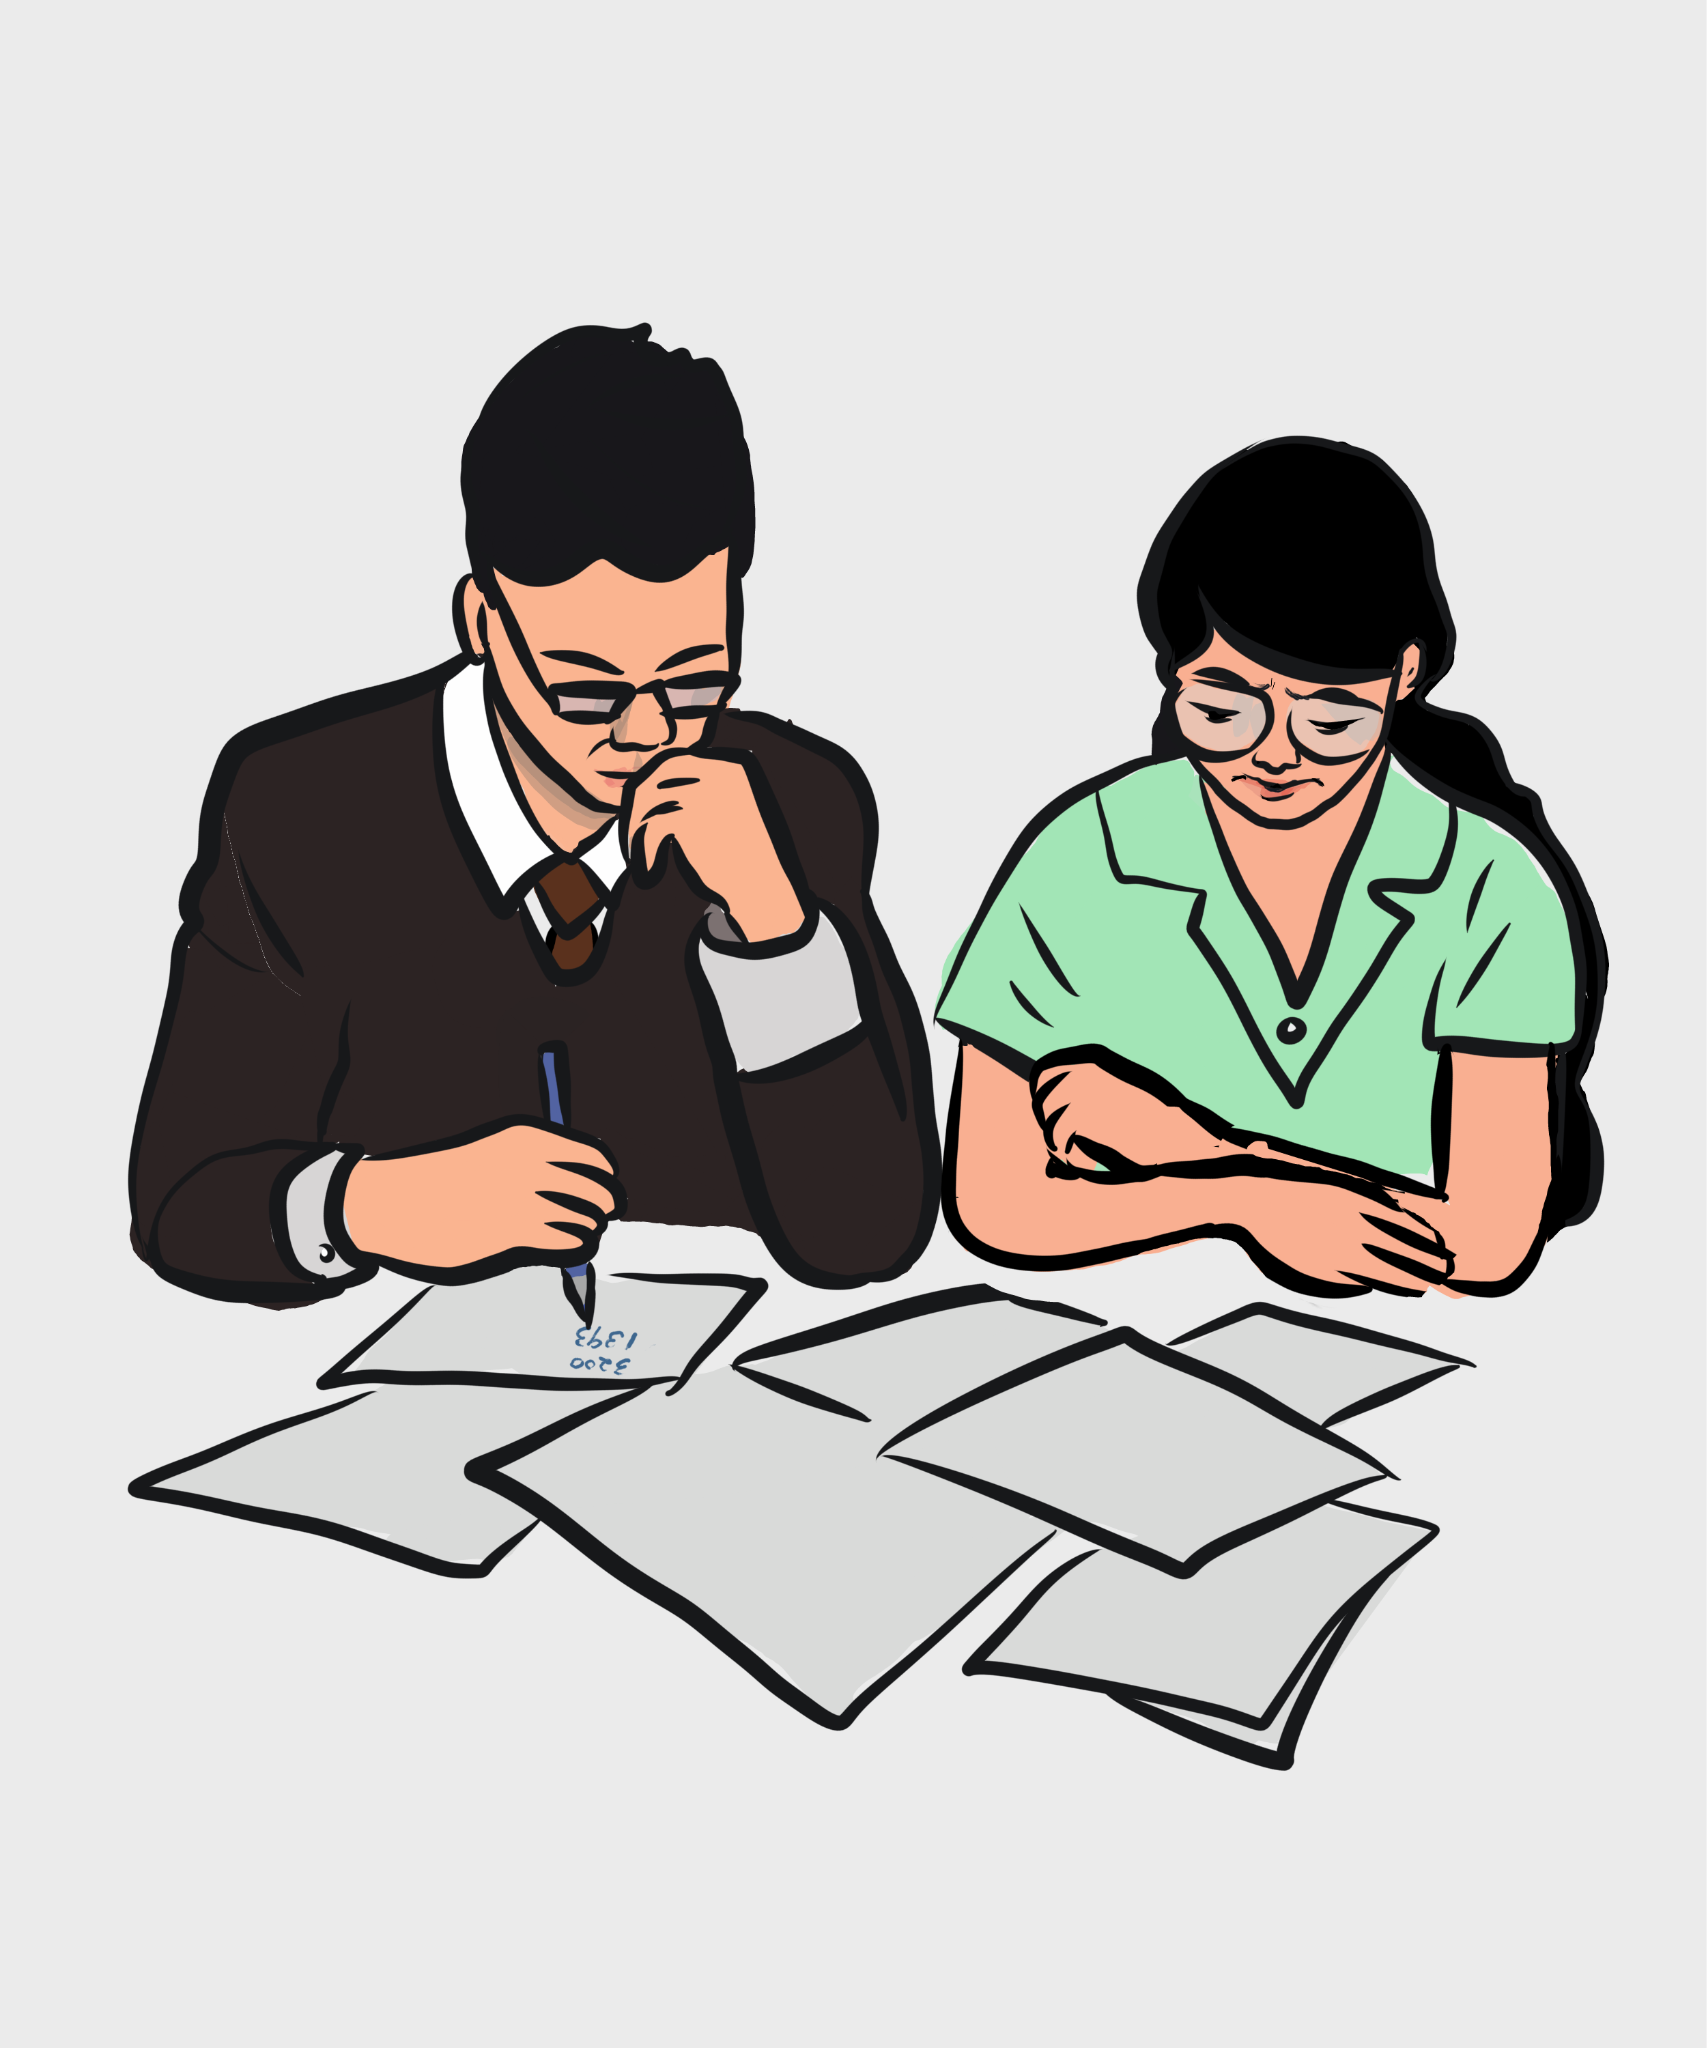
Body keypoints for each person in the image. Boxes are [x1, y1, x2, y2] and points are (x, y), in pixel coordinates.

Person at [131, 324, 937, 1305]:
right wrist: (363, 1206)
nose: (648, 735)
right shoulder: (301, 802)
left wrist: (775, 933)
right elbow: (183, 1200)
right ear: (482, 621)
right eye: (589, 691)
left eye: (696, 681)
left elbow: (866, 1237)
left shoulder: (794, 799)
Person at [937, 437, 1604, 1297]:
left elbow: (1484, 1243)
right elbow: (993, 1202)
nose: (1275, 757)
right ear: (1174, 673)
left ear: (1403, 675)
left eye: (1330, 722)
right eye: (1222, 710)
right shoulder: (1084, 852)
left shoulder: (1490, 887)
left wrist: (1198, 1150)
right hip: (1138, 1322)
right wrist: (1242, 1199)